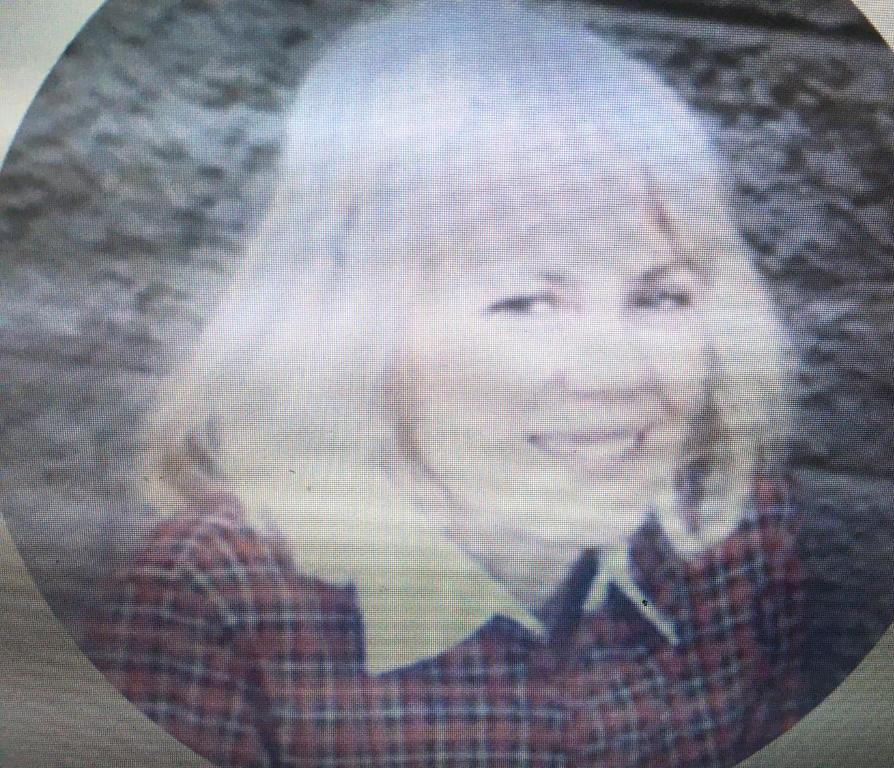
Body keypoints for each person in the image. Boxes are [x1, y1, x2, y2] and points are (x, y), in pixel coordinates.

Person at [84, 2, 806, 766]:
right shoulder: (214, 599)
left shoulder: (733, 545)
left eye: (660, 297)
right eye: (525, 301)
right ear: (352, 328)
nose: (614, 372)